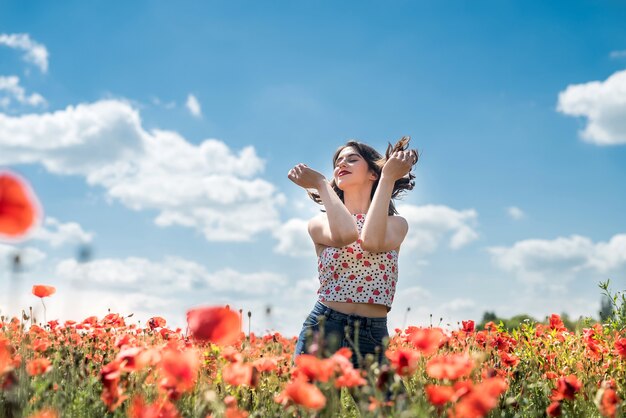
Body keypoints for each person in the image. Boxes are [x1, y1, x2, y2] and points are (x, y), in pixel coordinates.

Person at [288, 136, 418, 370]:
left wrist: (389, 177)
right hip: (325, 326)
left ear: (373, 174)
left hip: (373, 332)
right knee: (316, 407)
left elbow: (370, 241)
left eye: (352, 159)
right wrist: (320, 183)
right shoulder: (319, 223)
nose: (341, 164)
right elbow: (347, 234)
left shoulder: (397, 224)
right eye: (338, 162)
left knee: (387, 407)